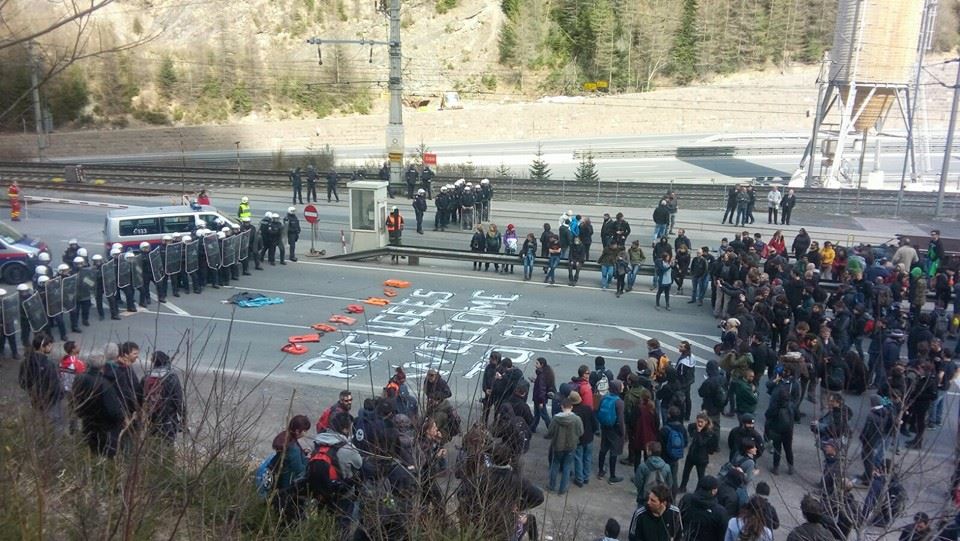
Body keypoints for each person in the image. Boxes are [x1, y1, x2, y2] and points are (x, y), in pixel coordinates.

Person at [18, 333, 66, 432]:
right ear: (43, 347)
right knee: (56, 424)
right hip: (51, 400)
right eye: (49, 345)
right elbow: (54, 384)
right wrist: (60, 395)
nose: (51, 347)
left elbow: (22, 382)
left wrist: (32, 390)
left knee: (42, 421)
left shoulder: (26, 362)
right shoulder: (49, 365)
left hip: (35, 398)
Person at [270, 414, 310, 522]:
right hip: (289, 488)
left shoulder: (285, 439)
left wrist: (302, 454)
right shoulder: (293, 449)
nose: (306, 433)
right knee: (292, 519)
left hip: (279, 485)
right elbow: (299, 469)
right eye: (305, 431)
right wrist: (308, 460)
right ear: (297, 431)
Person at [140, 350, 185, 443]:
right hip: (168, 417)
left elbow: (140, 397)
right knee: (167, 444)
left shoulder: (146, 377)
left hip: (151, 417)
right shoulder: (171, 377)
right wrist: (183, 417)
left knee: (152, 441)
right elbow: (178, 399)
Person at [545, 397, 583, 494]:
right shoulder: (577, 419)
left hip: (558, 445)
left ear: (562, 407)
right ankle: (562, 489)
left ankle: (552, 485)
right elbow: (581, 432)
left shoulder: (556, 418)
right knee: (567, 466)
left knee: (555, 464)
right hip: (571, 446)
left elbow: (550, 432)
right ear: (572, 407)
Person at [679, 475, 728, 541]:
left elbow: (678, 519)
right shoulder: (720, 512)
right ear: (713, 491)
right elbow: (722, 535)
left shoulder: (686, 499)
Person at [679, 413, 718, 493]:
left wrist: (699, 432)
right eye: (698, 421)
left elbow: (701, 443)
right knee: (686, 472)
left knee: (700, 476)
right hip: (692, 455)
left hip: (701, 458)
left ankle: (698, 490)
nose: (699, 424)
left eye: (701, 422)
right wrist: (693, 432)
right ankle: (683, 487)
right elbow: (690, 427)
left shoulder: (709, 433)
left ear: (706, 422)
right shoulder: (695, 426)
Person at [598, 380, 627, 483]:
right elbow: (620, 420)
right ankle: (612, 475)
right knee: (613, 452)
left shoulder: (604, 398)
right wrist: (622, 433)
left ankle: (601, 471)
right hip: (614, 429)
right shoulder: (619, 402)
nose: (623, 387)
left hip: (605, 427)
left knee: (603, 449)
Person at [571, 390, 597, 488]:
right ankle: (586, 477)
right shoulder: (587, 408)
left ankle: (579, 478)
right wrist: (594, 431)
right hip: (589, 437)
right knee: (587, 457)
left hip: (579, 439)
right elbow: (594, 422)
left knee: (578, 458)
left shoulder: (574, 413)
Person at [530, 357, 555, 433]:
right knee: (537, 414)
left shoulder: (541, 375)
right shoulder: (544, 373)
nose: (535, 365)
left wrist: (541, 401)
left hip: (539, 399)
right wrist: (535, 381)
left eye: (537, 363)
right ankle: (532, 428)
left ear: (542, 364)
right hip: (539, 399)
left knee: (543, 415)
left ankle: (551, 430)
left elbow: (542, 389)